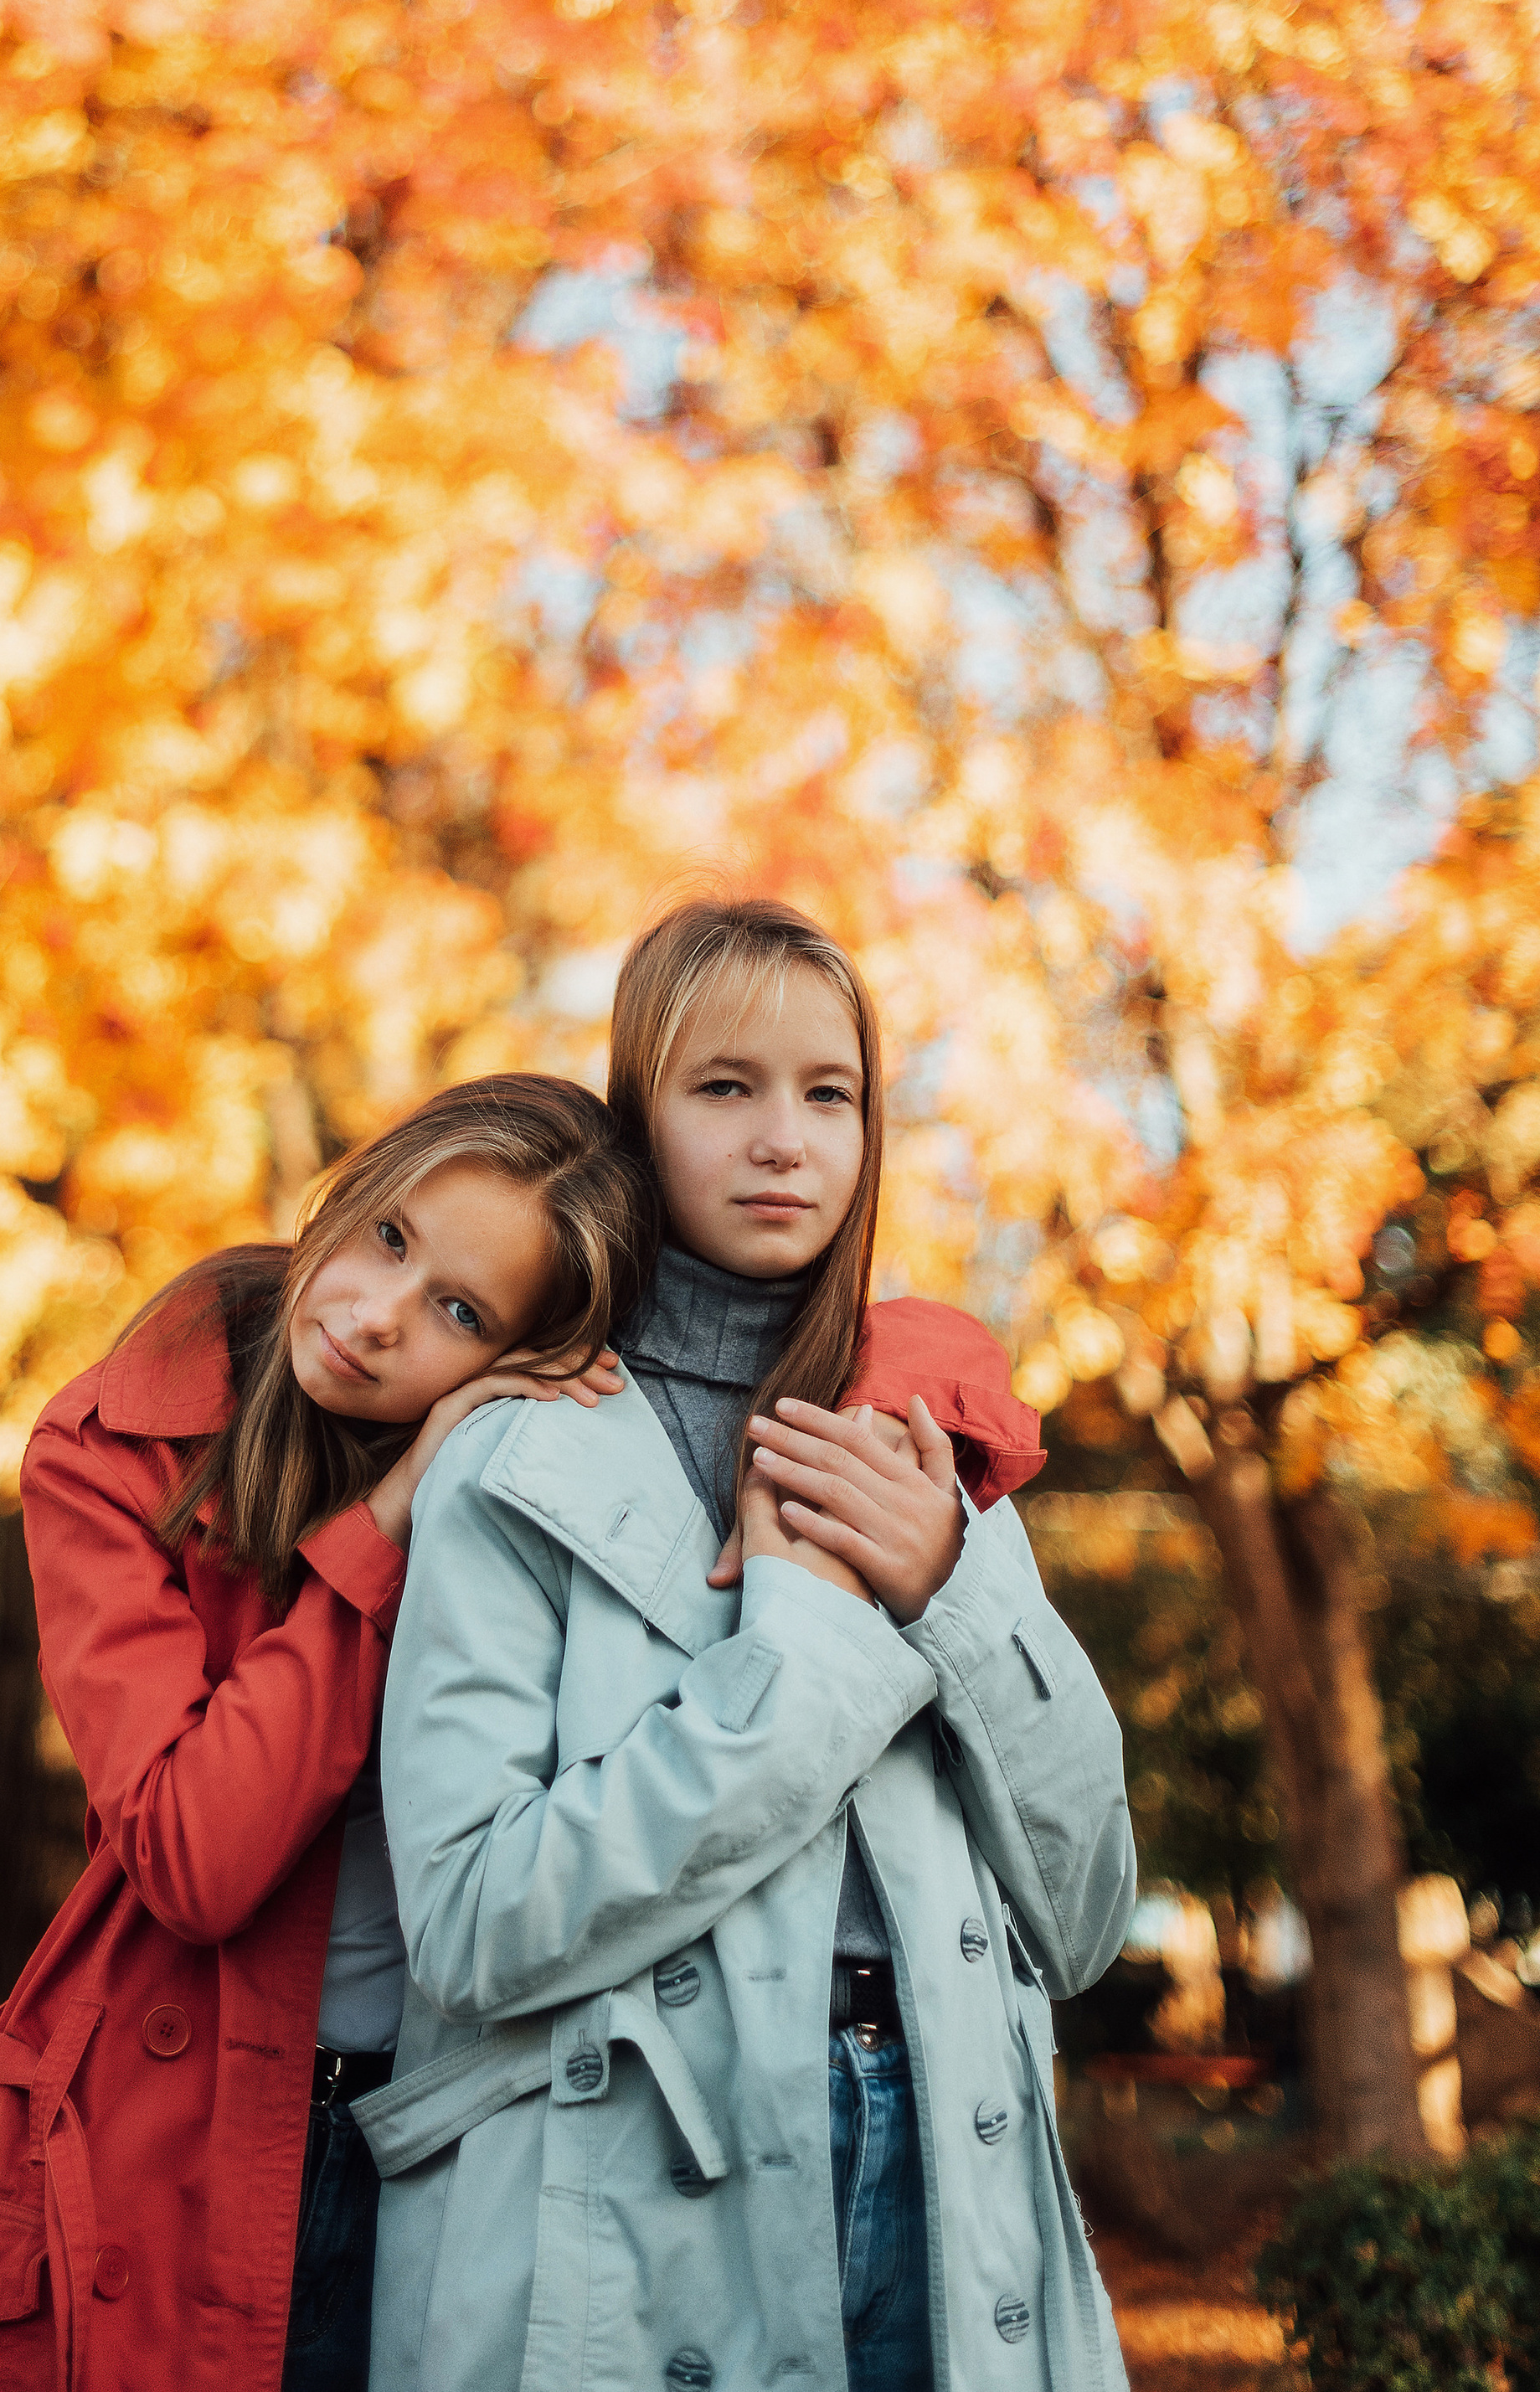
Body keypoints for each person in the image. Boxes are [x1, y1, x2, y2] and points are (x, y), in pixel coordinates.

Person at [361, 897, 1136, 2392]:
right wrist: (798, 1674)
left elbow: (1088, 1913)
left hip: (945, 2181)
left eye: (829, 1093)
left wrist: (955, 1589)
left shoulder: (927, 1453)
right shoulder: (515, 1456)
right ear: (636, 1114)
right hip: (625, 2208)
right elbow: (464, 1921)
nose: (786, 1137)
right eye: (727, 1086)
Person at [0, 1072, 651, 2392]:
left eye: (458, 1311)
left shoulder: (530, 1485)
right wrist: (390, 1518)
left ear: (520, 1361)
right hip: (155, 2142)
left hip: (434, 2136)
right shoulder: (115, 1445)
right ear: (349, 1191)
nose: (374, 1315)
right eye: (391, 1238)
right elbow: (191, 1853)